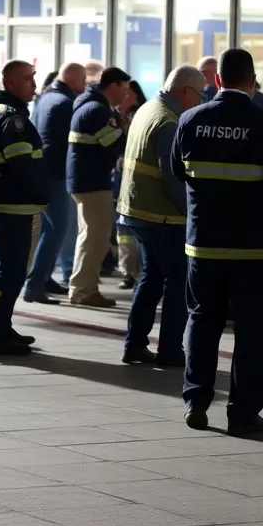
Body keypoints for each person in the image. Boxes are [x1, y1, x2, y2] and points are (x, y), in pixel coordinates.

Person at [173, 48, 263, 432]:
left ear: (218, 80)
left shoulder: (190, 120)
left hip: (204, 246)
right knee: (252, 332)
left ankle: (196, 401)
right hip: (255, 249)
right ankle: (243, 413)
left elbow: (178, 171)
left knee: (202, 323)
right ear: (252, 82)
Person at [118, 66, 205, 366]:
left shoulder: (147, 109)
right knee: (177, 281)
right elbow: (172, 178)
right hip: (163, 216)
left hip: (138, 211)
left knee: (151, 278)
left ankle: (134, 344)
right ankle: (169, 350)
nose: (201, 100)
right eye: (200, 93)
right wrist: (191, 212)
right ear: (185, 91)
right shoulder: (169, 121)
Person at [0, 59, 50, 355]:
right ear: (11, 83)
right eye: (29, 78)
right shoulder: (10, 117)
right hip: (12, 203)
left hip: (5, 201)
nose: (34, 83)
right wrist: (40, 192)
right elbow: (21, 165)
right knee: (9, 270)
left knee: (4, 268)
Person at [66, 66, 131, 307]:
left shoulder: (88, 106)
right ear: (112, 85)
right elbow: (116, 145)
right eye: (123, 89)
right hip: (92, 182)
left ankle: (82, 287)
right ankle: (84, 290)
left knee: (89, 236)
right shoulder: (97, 111)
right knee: (95, 239)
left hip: (85, 181)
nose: (125, 94)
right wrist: (123, 127)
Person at [26, 62, 86, 300]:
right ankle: (35, 284)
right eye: (82, 81)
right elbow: (66, 145)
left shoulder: (44, 99)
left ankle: (43, 278)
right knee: (57, 229)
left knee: (47, 229)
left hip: (42, 172)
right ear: (72, 80)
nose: (84, 87)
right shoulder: (64, 103)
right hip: (56, 174)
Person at [115, 80, 148, 290]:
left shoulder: (139, 116)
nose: (124, 96)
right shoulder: (114, 116)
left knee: (134, 228)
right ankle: (127, 271)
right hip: (118, 179)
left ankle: (138, 272)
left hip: (134, 177)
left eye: (128, 93)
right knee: (123, 230)